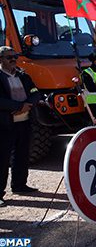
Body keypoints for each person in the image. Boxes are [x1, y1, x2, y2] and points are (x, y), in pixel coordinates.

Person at [0, 46, 41, 207]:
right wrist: (18, 106)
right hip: (4, 125)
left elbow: (35, 92)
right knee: (2, 160)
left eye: (15, 56)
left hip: (24, 122)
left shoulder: (23, 76)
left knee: (22, 155)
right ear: (1, 59)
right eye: (9, 57)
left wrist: (28, 104)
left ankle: (19, 185)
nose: (13, 60)